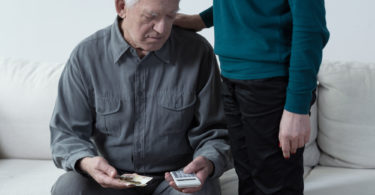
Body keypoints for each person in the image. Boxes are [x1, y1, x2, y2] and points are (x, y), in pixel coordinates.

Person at [49, 0, 232, 194]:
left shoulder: (198, 52)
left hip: (176, 180)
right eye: (151, 17)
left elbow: (216, 131)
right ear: (121, 8)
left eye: (170, 16)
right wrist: (86, 162)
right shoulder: (86, 56)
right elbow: (66, 133)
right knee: (69, 188)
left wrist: (209, 160)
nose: (162, 29)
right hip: (113, 180)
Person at [174, 1, 329, 195]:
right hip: (231, 77)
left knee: (275, 186)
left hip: (272, 84)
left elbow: (311, 29)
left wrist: (297, 108)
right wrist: (201, 20)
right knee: (248, 182)